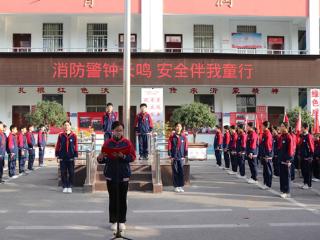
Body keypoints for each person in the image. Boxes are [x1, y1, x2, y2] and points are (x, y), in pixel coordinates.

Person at [97, 121, 136, 232]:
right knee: (113, 198)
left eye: (121, 130)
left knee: (122, 198)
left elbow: (132, 157)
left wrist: (123, 155)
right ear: (112, 131)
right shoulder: (107, 143)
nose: (119, 132)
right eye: (117, 130)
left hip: (123, 174)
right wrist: (100, 157)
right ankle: (114, 221)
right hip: (111, 174)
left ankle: (122, 221)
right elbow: (102, 159)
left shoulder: (127, 143)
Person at [55, 120, 78, 194]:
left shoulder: (74, 135)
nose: (66, 126)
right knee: (63, 172)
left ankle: (70, 186)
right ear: (63, 126)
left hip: (71, 156)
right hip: (62, 156)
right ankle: (65, 186)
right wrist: (57, 155)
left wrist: (76, 155)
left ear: (70, 126)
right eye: (65, 125)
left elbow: (76, 146)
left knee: (71, 172)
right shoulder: (61, 135)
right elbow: (58, 145)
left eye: (68, 125)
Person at [168, 123, 188, 193]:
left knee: (181, 172)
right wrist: (170, 155)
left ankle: (180, 186)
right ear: (175, 127)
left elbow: (186, 146)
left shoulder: (184, 137)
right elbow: (169, 146)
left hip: (181, 157)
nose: (178, 128)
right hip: (174, 157)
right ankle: (176, 186)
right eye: (177, 126)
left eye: (179, 126)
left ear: (181, 128)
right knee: (175, 172)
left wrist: (185, 155)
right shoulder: (172, 137)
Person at [278, 122, 294, 198]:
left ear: (286, 128)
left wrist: (289, 159)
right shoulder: (281, 136)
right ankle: (282, 190)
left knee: (286, 176)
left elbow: (290, 149)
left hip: (286, 160)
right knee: (282, 176)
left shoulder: (288, 137)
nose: (281, 127)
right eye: (280, 126)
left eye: (282, 126)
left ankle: (287, 191)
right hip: (281, 159)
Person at [299, 123, 314, 189]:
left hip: (307, 157)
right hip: (302, 157)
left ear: (306, 128)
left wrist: (310, 156)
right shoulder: (303, 136)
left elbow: (311, 147)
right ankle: (305, 183)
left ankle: (308, 184)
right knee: (303, 171)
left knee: (308, 171)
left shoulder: (309, 136)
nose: (301, 129)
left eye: (302, 127)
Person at [260, 121, 273, 189]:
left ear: (265, 126)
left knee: (268, 170)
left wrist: (267, 155)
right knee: (265, 170)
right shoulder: (264, 133)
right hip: (264, 154)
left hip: (267, 155)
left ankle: (268, 184)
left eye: (262, 126)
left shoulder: (268, 134)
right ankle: (265, 183)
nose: (261, 127)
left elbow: (268, 146)